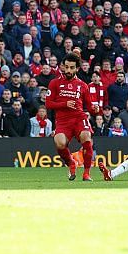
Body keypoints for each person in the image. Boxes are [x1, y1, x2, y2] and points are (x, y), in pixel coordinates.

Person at [45, 53, 99, 181]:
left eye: (72, 68)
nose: (68, 70)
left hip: (79, 118)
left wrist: (95, 109)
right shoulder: (54, 83)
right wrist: (65, 104)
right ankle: (71, 163)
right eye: (66, 67)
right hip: (63, 121)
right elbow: (48, 103)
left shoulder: (83, 85)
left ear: (77, 69)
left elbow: (90, 107)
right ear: (63, 67)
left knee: (87, 138)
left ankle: (86, 174)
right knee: (59, 143)